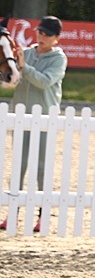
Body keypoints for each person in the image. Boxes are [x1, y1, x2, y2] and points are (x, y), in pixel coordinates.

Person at [2, 16, 68, 233]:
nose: (41, 36)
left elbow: (44, 81)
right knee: (18, 168)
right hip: (21, 118)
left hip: (44, 120)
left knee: (41, 169)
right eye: (40, 32)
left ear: (56, 38)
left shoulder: (59, 59)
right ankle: (12, 215)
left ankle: (43, 216)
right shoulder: (27, 52)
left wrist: (25, 67)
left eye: (47, 34)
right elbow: (12, 76)